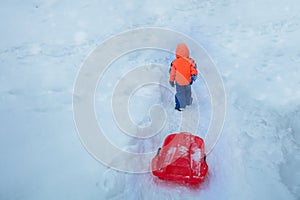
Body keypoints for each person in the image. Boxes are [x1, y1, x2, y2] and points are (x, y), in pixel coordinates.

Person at [169, 43, 198, 111]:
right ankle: (188, 102)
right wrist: (193, 76)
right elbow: (193, 70)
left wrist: (171, 81)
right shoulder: (190, 61)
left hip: (179, 82)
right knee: (188, 92)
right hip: (188, 81)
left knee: (180, 93)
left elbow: (172, 73)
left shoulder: (175, 62)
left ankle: (181, 105)